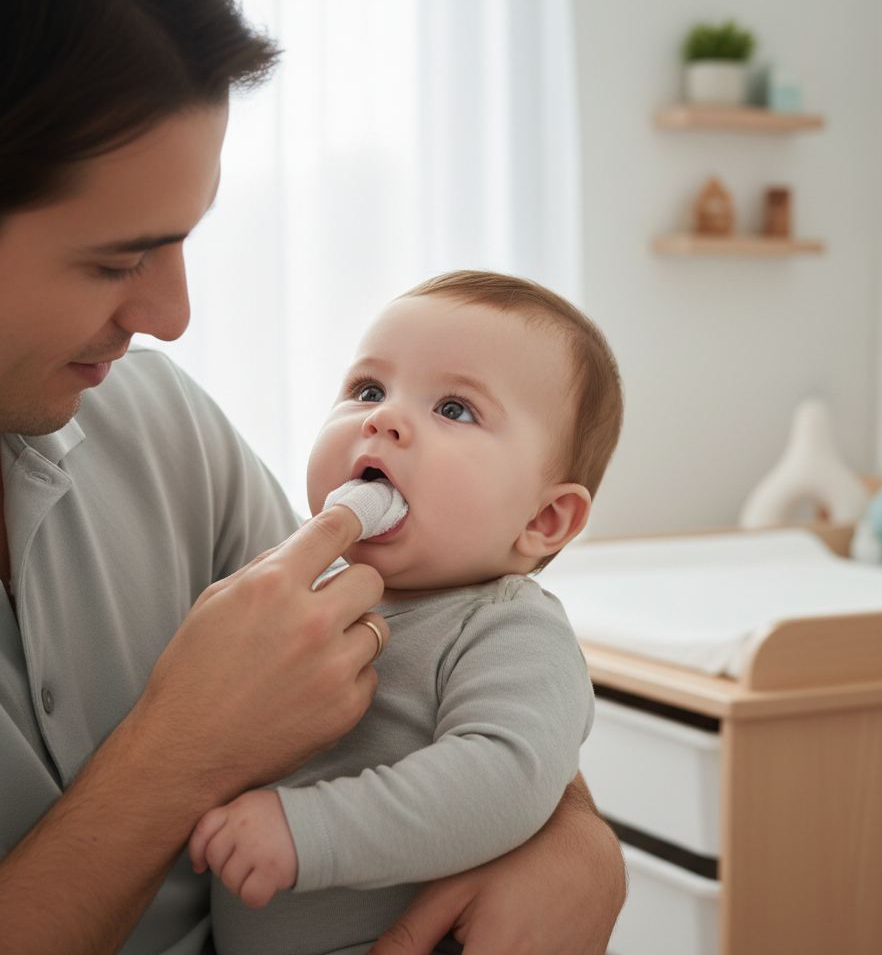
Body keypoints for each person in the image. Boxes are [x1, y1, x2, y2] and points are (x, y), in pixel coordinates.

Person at [0, 0, 626, 955]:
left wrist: (576, 839)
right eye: (118, 260)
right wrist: (178, 752)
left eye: (181, 242)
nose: (171, 315)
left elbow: (502, 746)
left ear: (546, 519)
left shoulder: (155, 423)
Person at [185, 272, 624, 955]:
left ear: (543, 519)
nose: (382, 418)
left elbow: (504, 778)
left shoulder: (507, 627)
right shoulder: (296, 587)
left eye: (454, 409)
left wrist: (308, 832)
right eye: (367, 389)